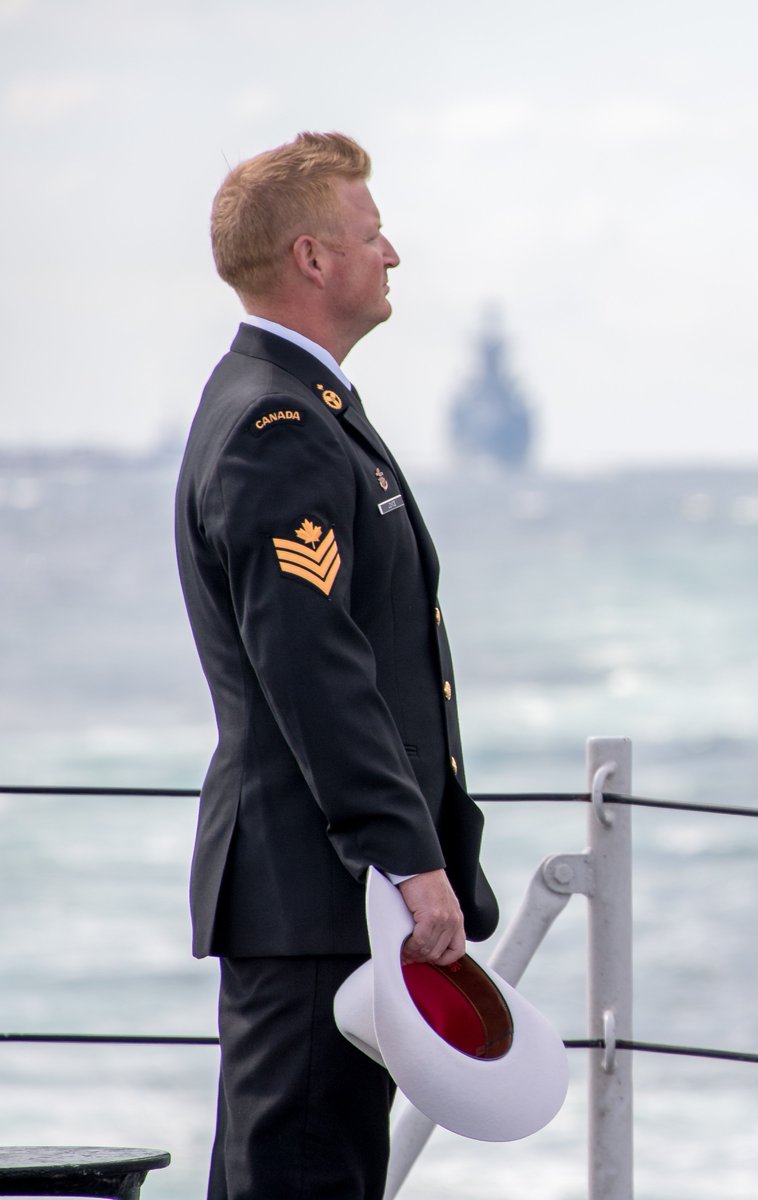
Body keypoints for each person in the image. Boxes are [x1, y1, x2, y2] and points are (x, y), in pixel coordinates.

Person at [174, 131, 499, 1200]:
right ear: (313, 258)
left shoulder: (304, 411)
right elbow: (315, 669)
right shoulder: (279, 428)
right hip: (318, 891)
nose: (391, 253)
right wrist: (407, 861)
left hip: (316, 887)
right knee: (303, 1175)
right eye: (370, 234)